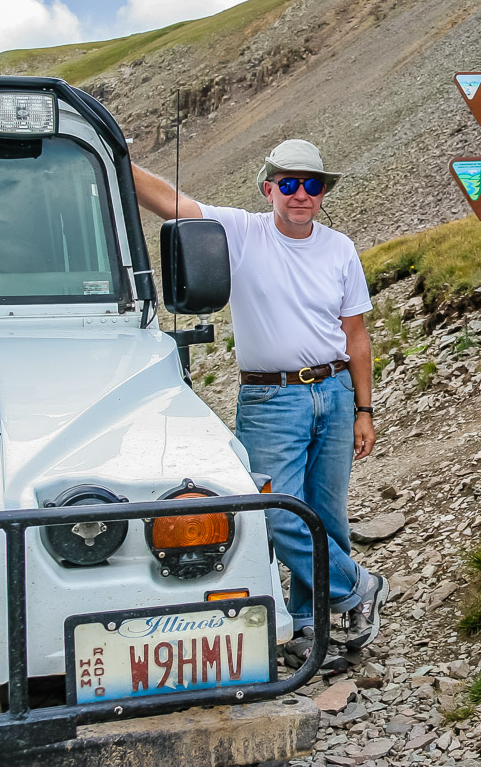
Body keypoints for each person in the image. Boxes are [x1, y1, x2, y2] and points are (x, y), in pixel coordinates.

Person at [132, 138, 387, 668]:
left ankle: (310, 624)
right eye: (288, 184)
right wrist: (112, 155)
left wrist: (365, 409)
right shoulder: (242, 230)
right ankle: (359, 586)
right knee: (274, 512)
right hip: (271, 397)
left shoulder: (339, 247)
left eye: (311, 185)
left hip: (336, 392)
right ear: (269, 188)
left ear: (322, 194)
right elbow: (170, 201)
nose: (300, 195)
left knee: (327, 515)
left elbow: (357, 335)